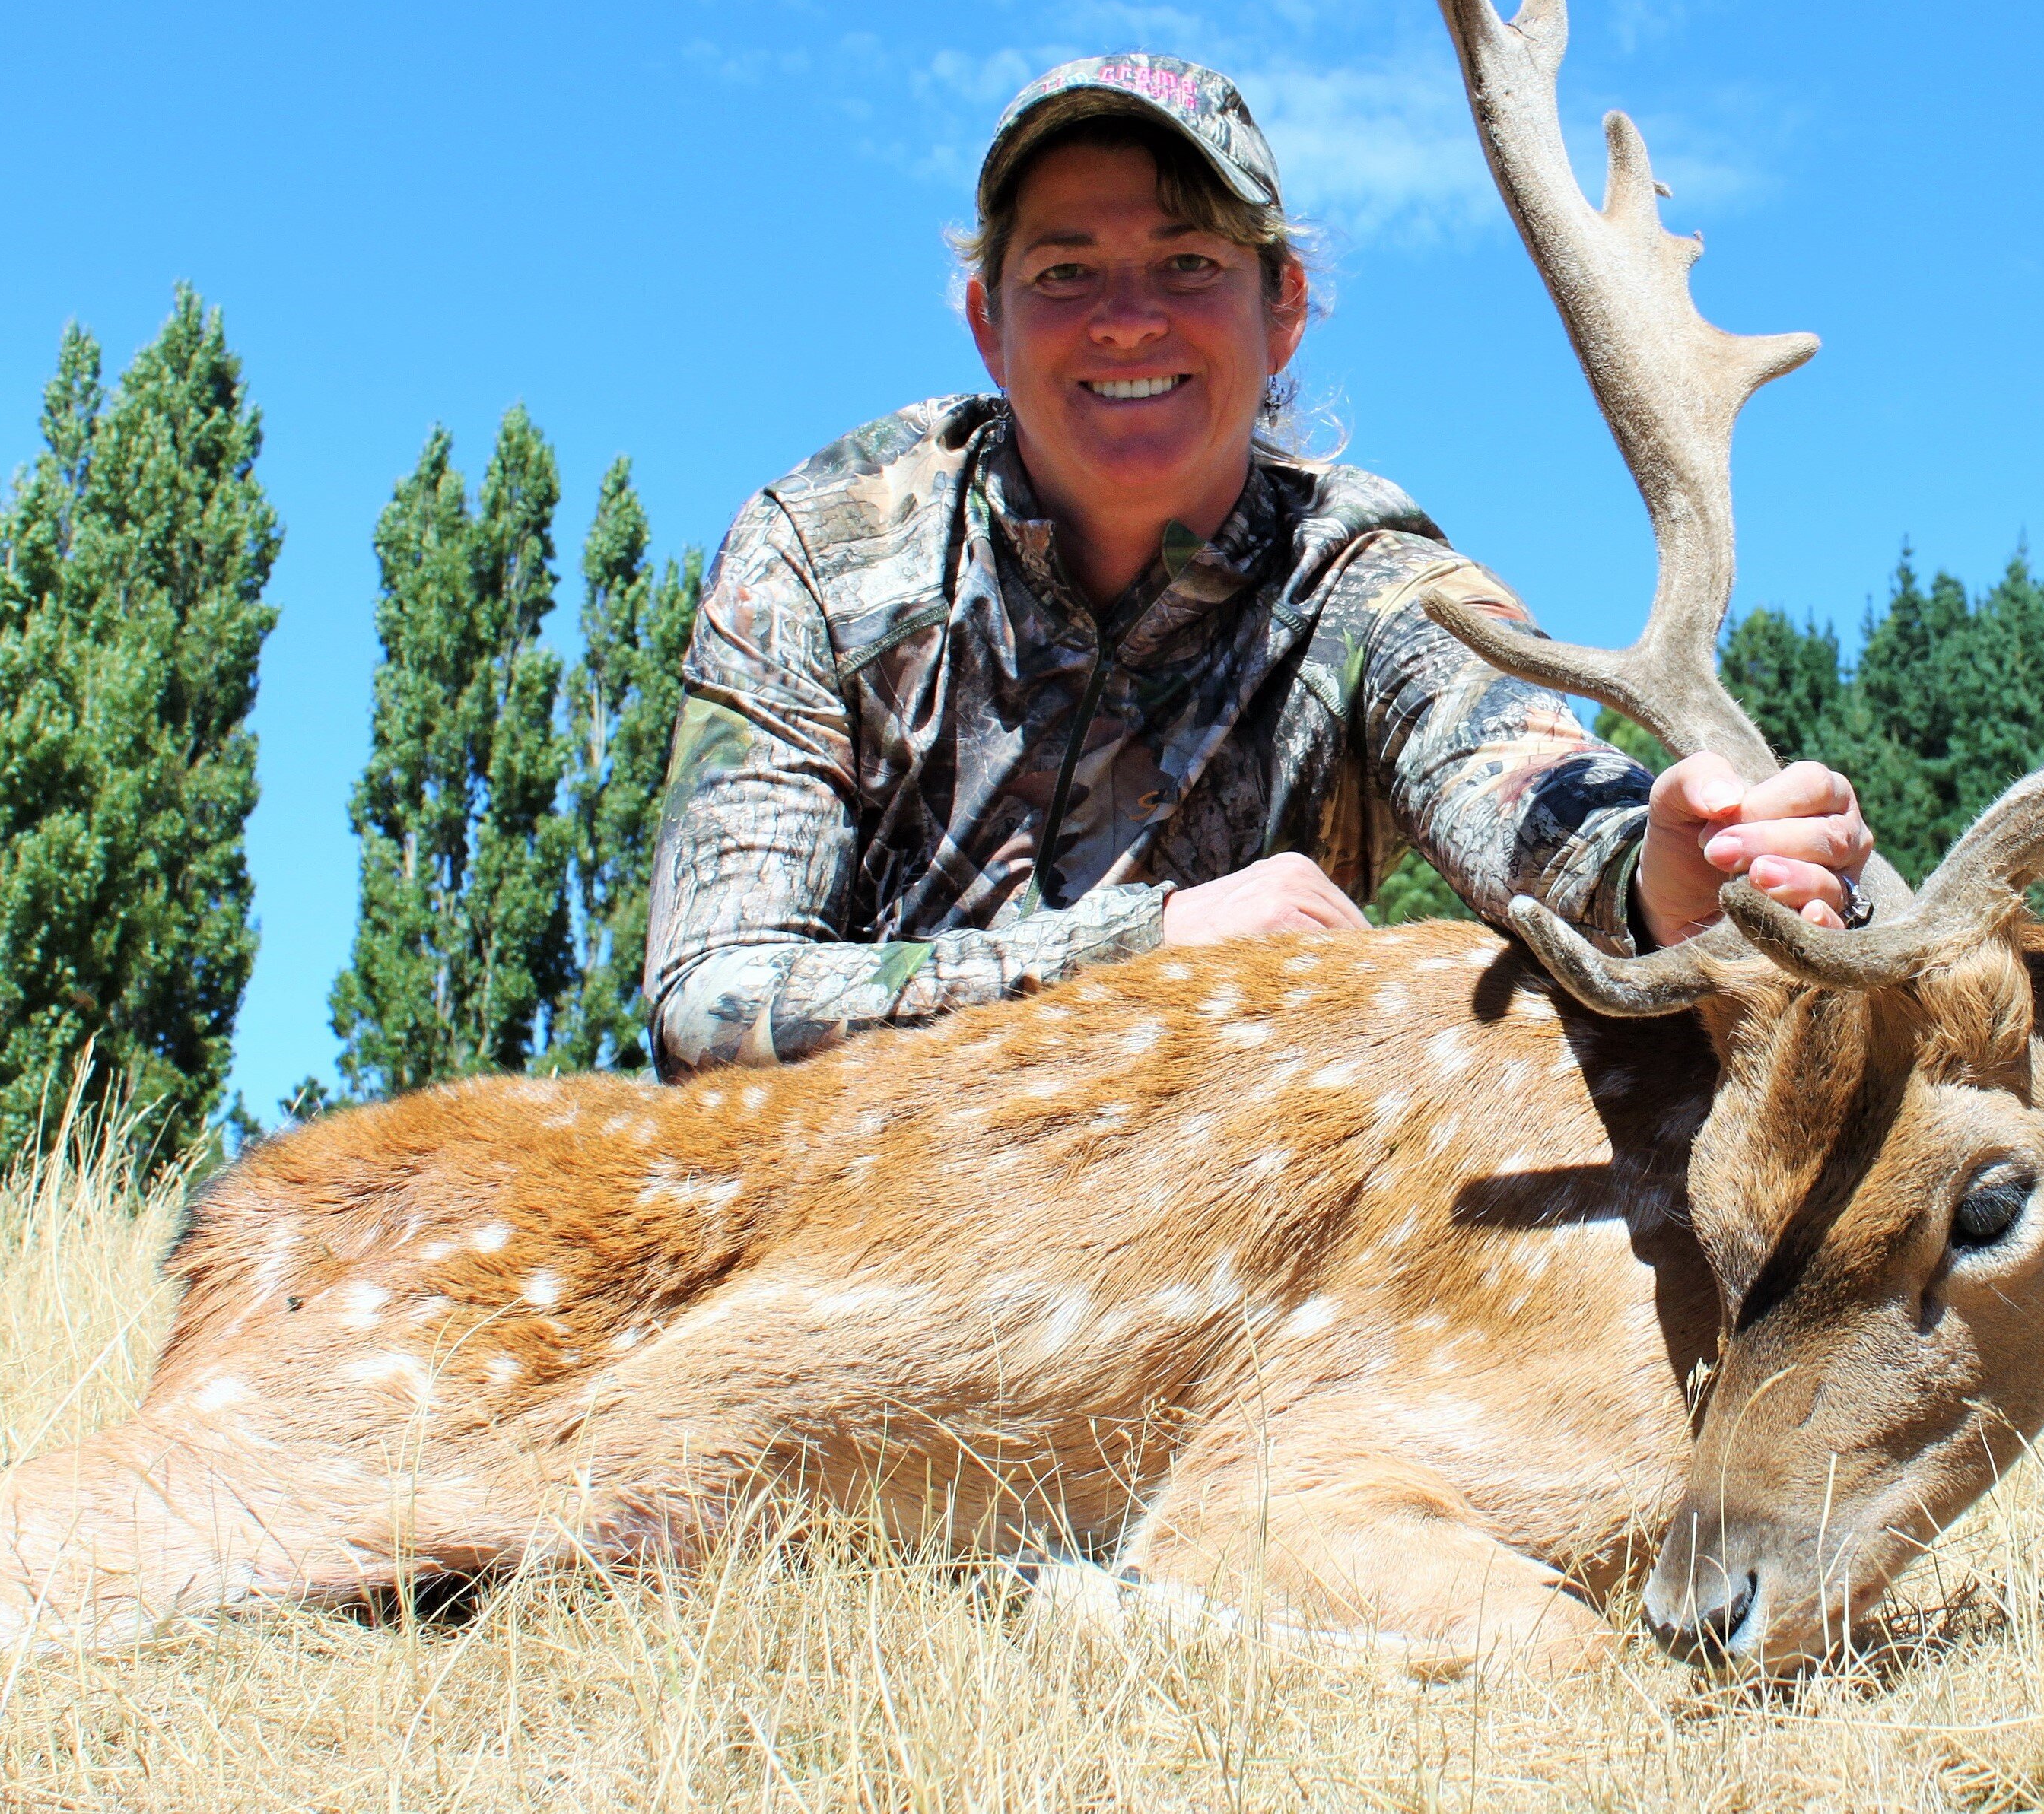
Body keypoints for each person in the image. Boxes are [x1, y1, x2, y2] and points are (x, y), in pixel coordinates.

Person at [641, 54, 1874, 1075]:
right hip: (840, 1230)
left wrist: (1659, 873)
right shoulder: (820, 552)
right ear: (987, 323)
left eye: (1190, 264)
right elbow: (711, 1000)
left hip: (1211, 1245)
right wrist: (1148, 949)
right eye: (1066, 271)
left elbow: (1510, 769)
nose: (1129, 317)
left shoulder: (1362, 582)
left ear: (1283, 307)